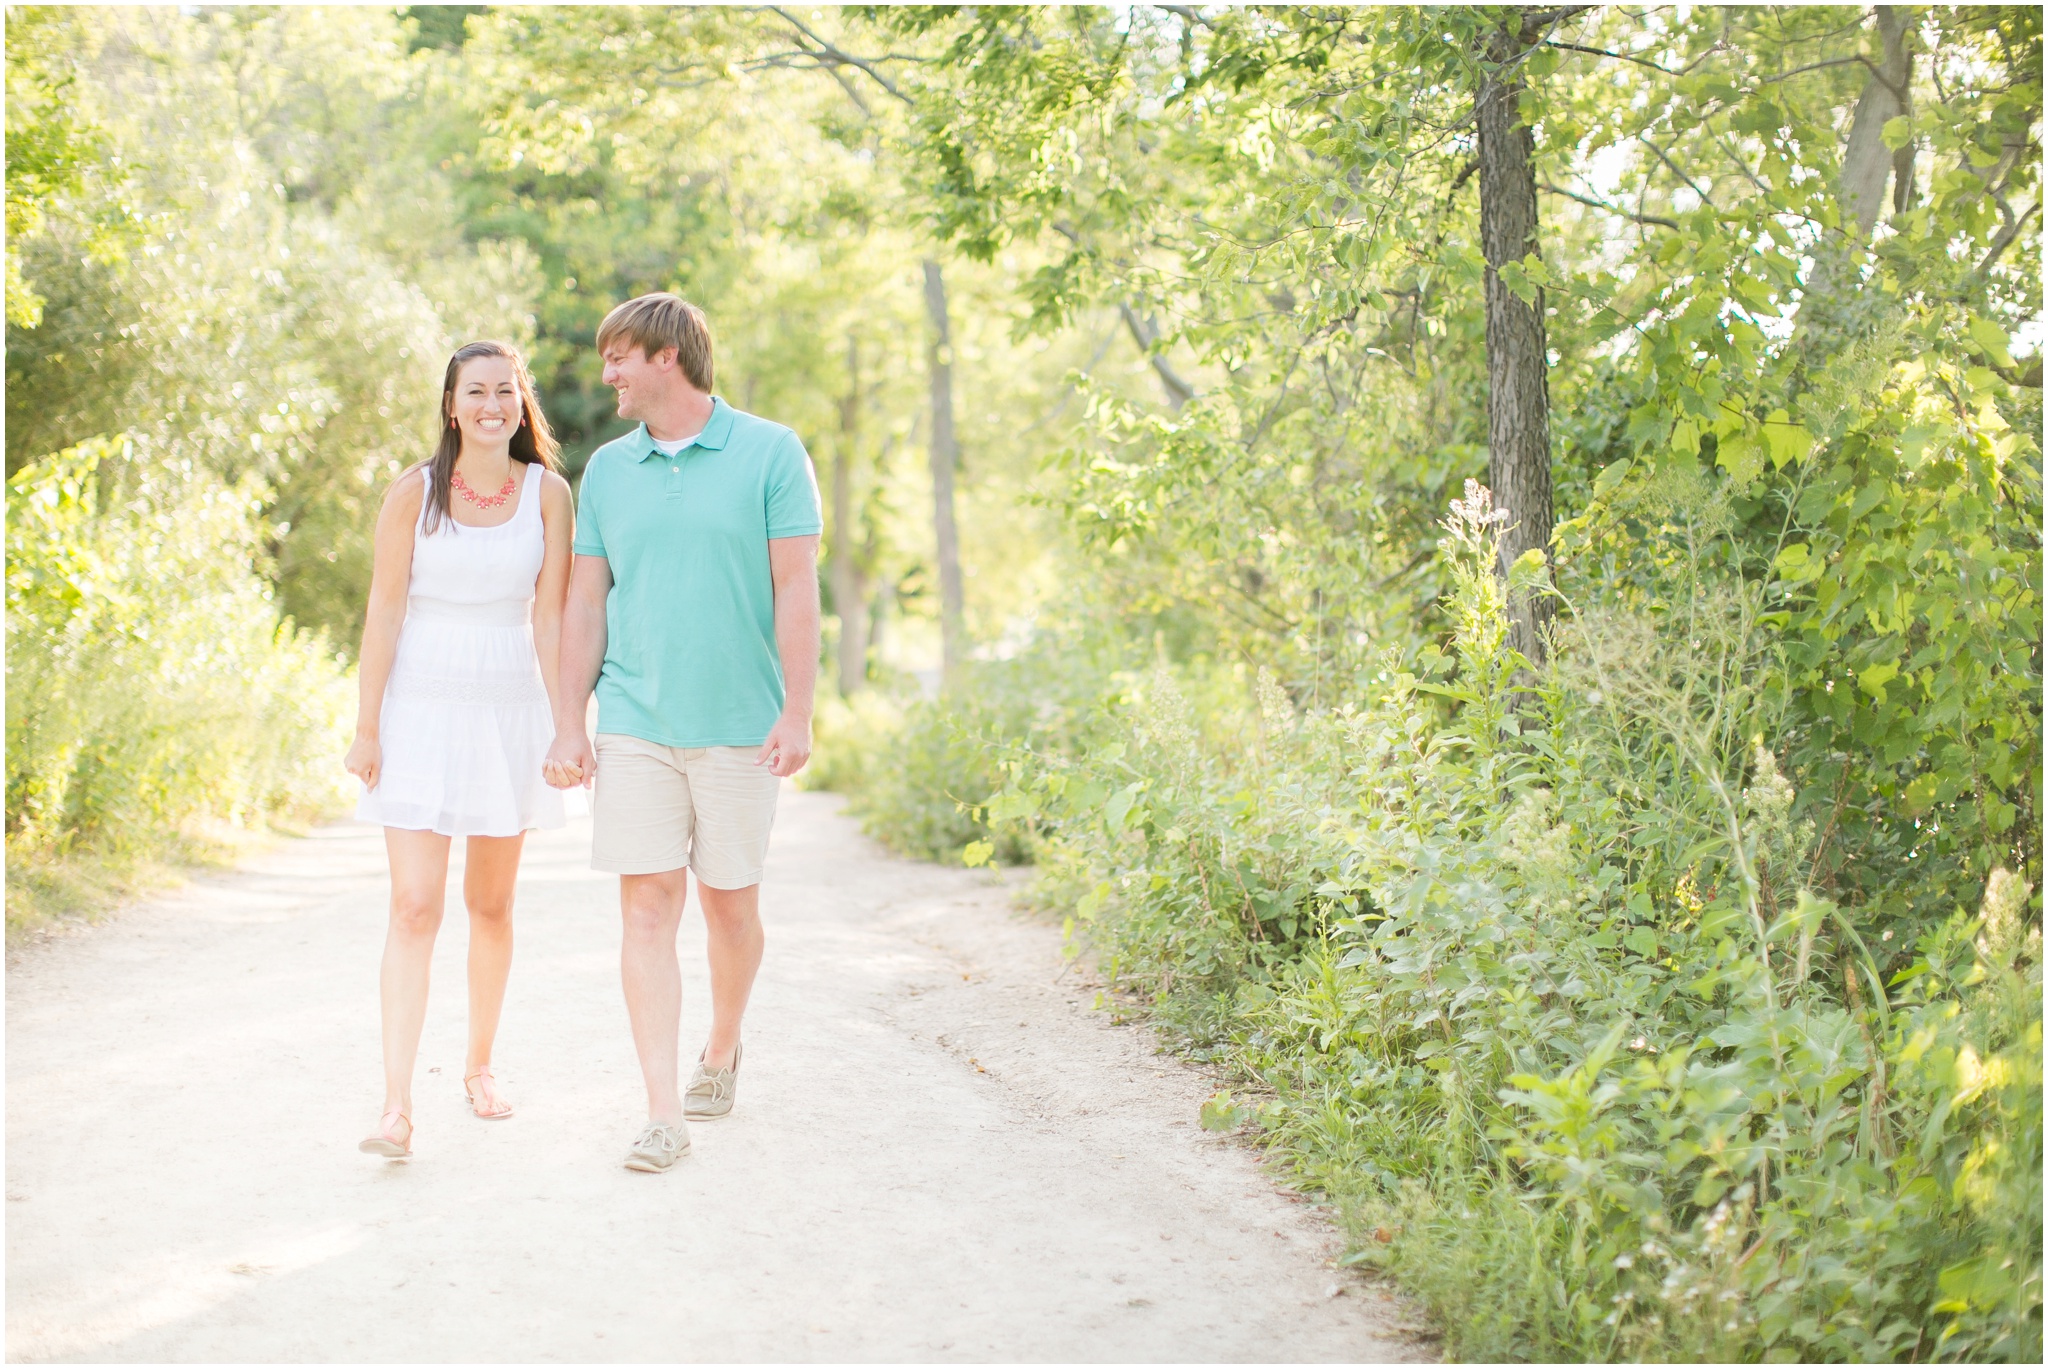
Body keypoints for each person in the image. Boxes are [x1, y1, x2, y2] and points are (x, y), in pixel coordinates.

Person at [544, 293, 822, 1173]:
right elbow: (587, 599)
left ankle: (722, 1044)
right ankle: (663, 1109)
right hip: (635, 721)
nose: (607, 375)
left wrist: (799, 710)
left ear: (667, 357)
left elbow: (796, 589)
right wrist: (570, 720)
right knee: (646, 903)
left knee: (729, 907)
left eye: (618, 357)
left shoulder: (772, 452)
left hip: (740, 723)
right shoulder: (609, 472)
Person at [346, 340, 575, 1159]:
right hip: (420, 707)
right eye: (474, 391)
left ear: (521, 404)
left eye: (504, 391)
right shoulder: (415, 492)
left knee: (490, 904)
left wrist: (565, 724)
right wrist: (367, 725)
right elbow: (382, 612)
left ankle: (480, 1063)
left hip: (508, 704)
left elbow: (550, 619)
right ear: (451, 404)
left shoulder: (549, 493)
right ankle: (396, 1105)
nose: (490, 405)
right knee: (414, 906)